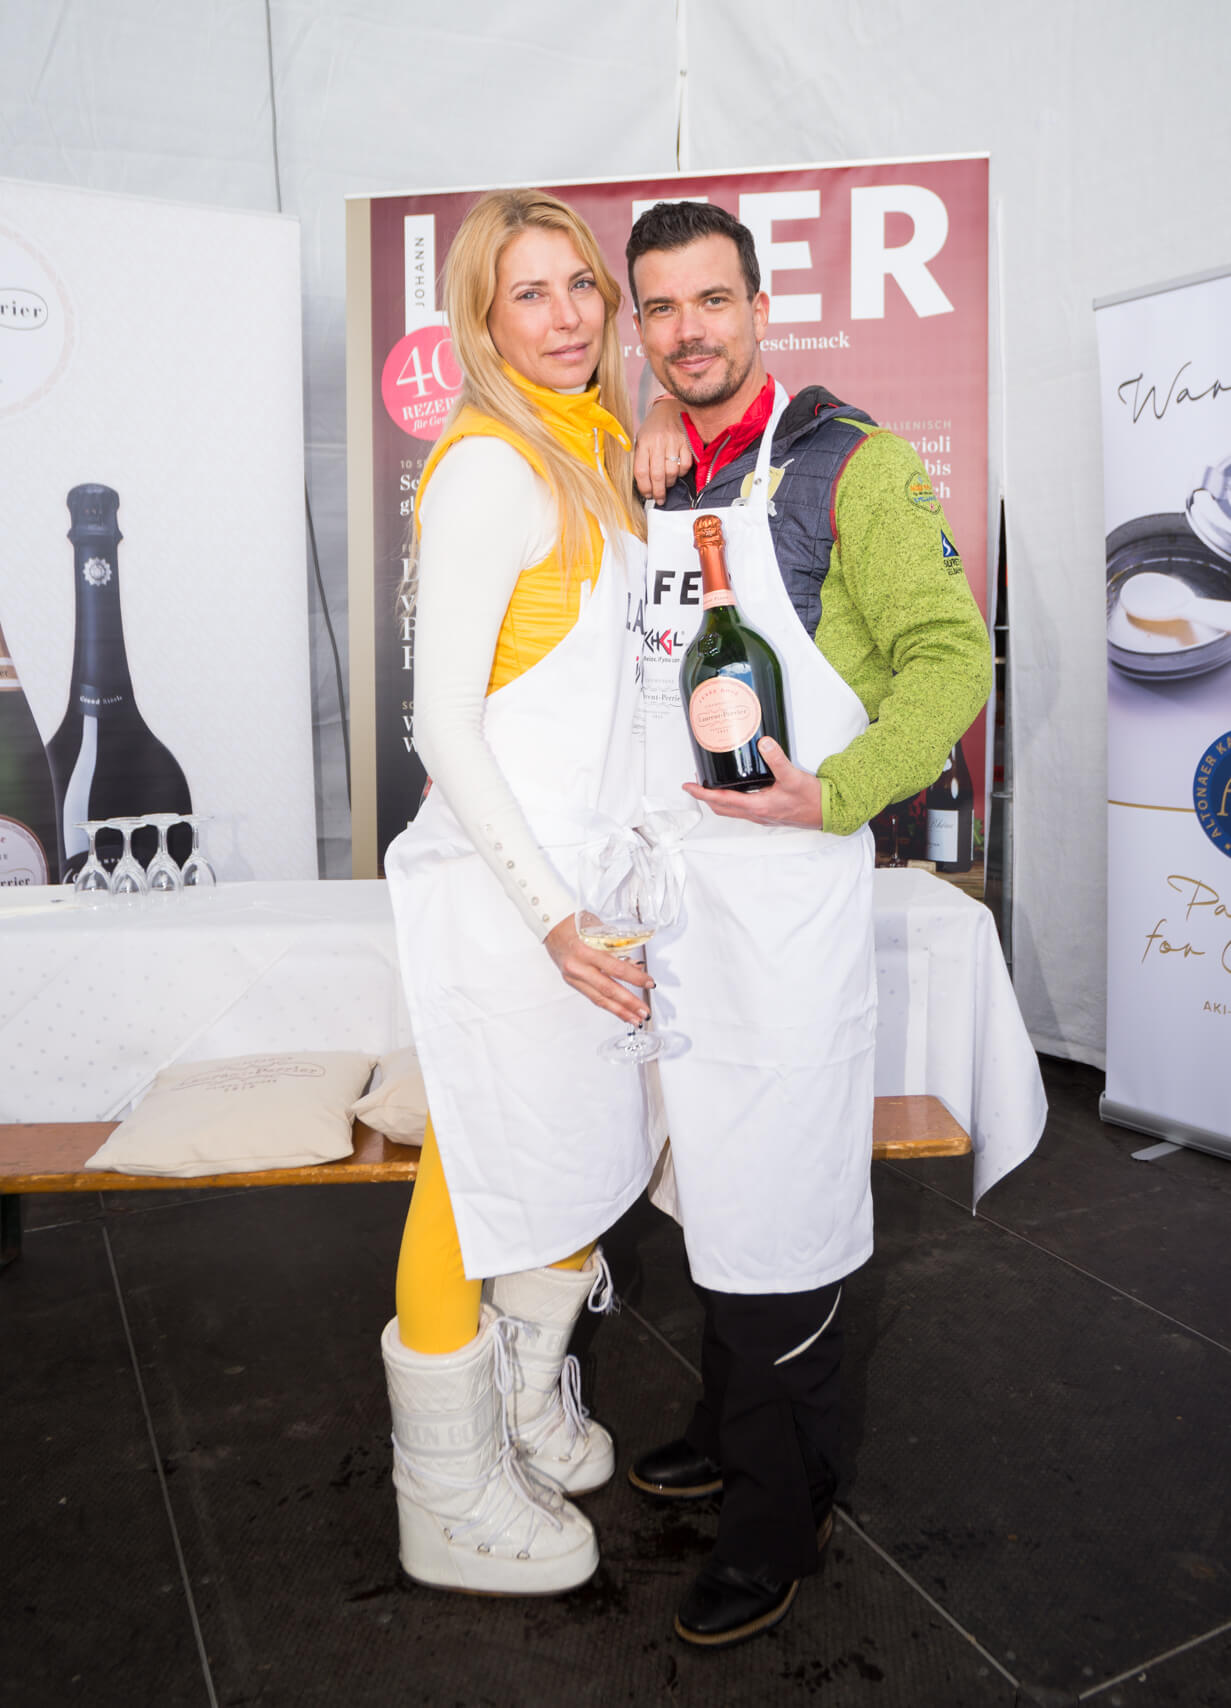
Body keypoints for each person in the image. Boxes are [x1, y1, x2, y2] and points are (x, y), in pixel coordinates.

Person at [623, 200, 993, 1647]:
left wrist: (835, 792)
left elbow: (951, 660)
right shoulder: (656, 465)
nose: (690, 332)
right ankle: (728, 1426)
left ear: (762, 307)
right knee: (711, 1173)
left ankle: (784, 1510)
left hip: (785, 902)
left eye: (713, 301)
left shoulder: (855, 466)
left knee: (786, 1191)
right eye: (662, 310)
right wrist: (649, 430)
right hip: (680, 905)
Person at [381, 189, 686, 1598]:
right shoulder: (490, 467)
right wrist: (551, 914)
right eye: (529, 294)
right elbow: (443, 723)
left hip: (591, 878)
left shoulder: (595, 446)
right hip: (511, 893)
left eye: (581, 287)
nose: (565, 318)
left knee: (573, 1145)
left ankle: (521, 1398)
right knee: (475, 1167)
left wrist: (656, 415)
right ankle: (442, 1491)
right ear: (483, 321)